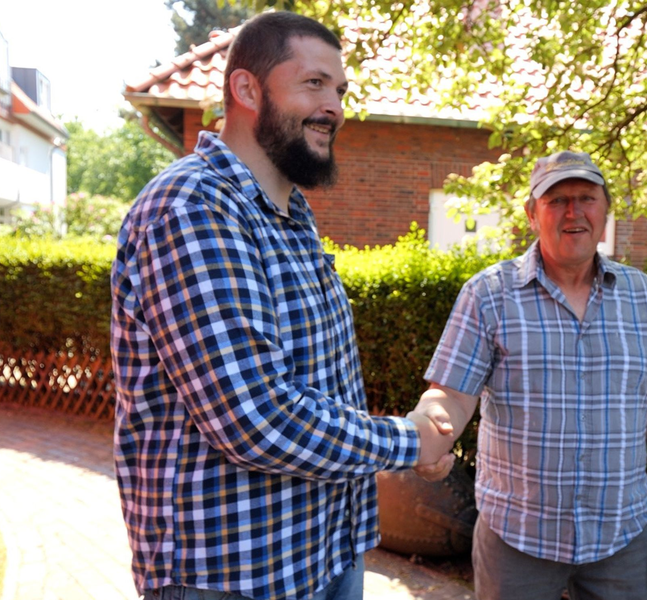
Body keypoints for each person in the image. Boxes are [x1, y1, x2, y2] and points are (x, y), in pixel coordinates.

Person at [110, 12, 452, 600]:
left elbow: (319, 385)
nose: (335, 107)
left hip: (322, 549)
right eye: (314, 83)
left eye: (339, 89)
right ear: (247, 89)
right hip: (232, 577)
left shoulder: (291, 215)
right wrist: (410, 440)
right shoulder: (193, 207)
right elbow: (254, 418)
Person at [411, 151, 647, 599]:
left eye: (587, 198)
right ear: (532, 214)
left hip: (620, 540)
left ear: (605, 212)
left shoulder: (642, 297)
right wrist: (428, 437)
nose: (574, 212)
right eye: (556, 200)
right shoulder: (488, 295)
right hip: (516, 540)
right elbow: (449, 395)